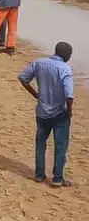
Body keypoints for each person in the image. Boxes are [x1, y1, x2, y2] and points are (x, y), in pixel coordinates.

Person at [18, 42, 74, 187]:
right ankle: (57, 178)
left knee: (41, 143)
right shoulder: (65, 69)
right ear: (67, 55)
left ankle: (39, 175)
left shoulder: (39, 63)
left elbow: (23, 78)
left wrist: (34, 93)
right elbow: (69, 95)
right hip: (59, 113)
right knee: (60, 146)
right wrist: (69, 111)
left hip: (42, 111)